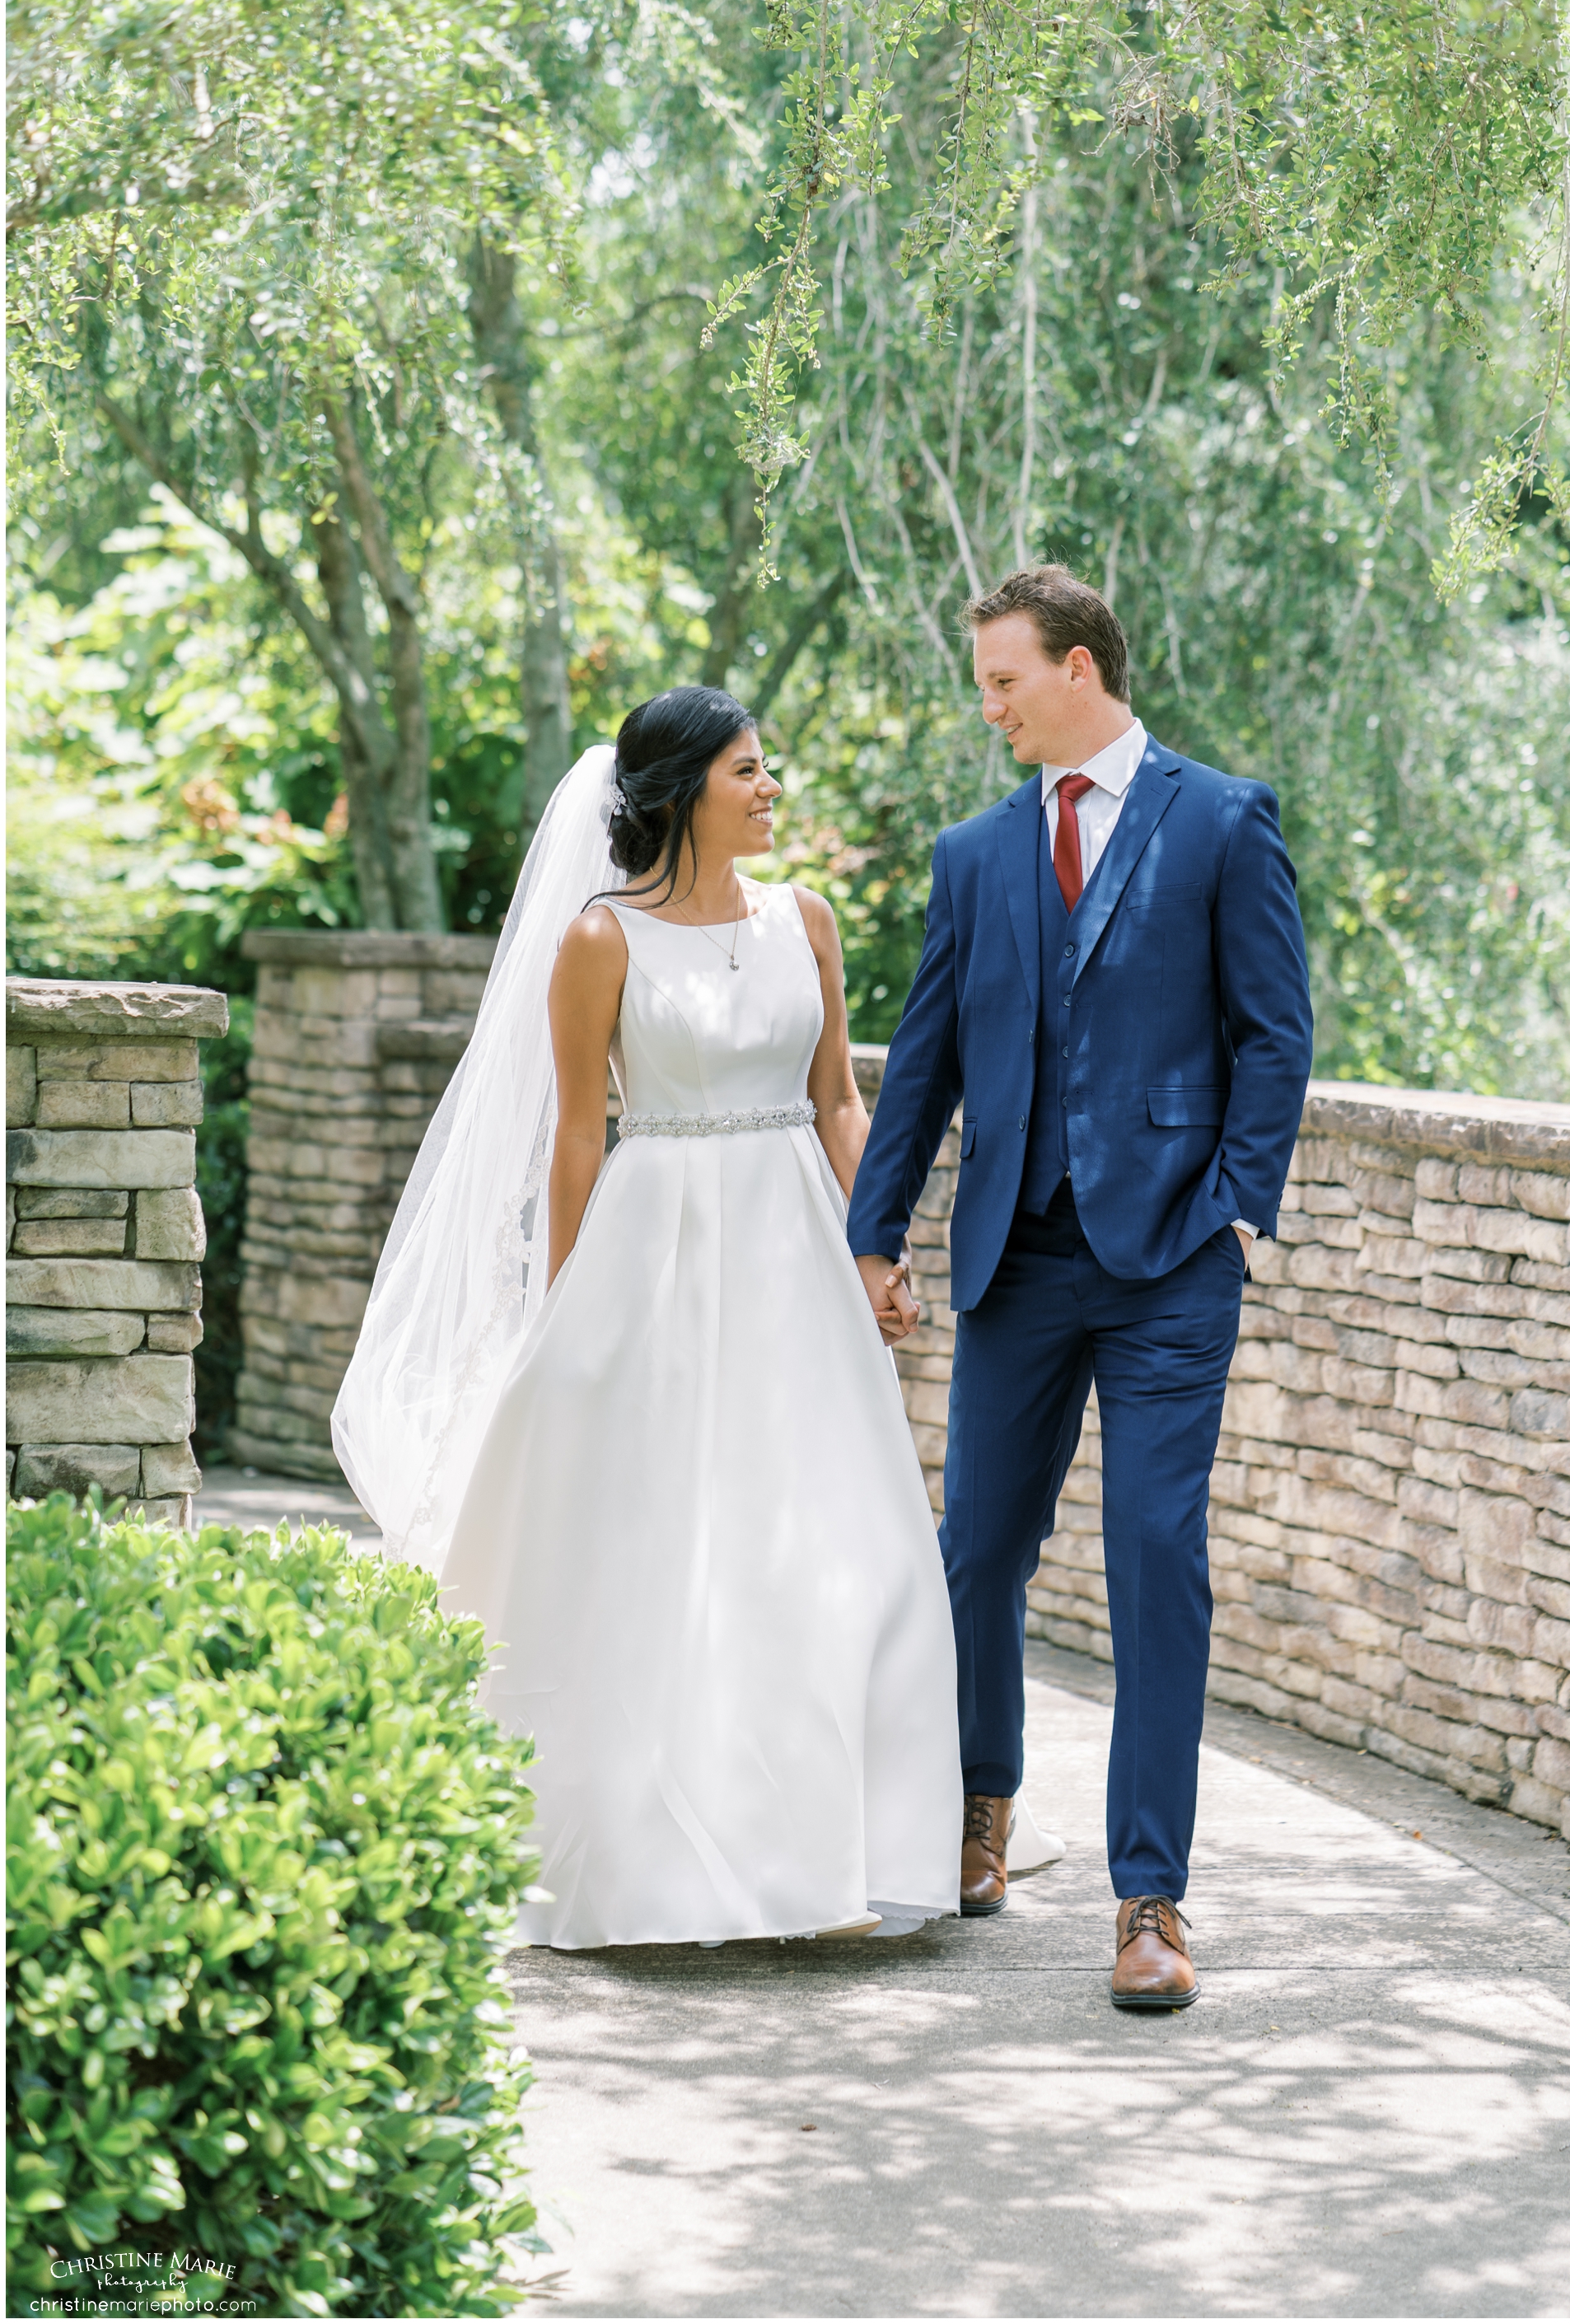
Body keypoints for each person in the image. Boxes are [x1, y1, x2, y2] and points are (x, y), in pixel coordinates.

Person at [334, 688, 964, 1950]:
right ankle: (657, 1855)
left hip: (797, 1246)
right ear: (682, 791)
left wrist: (877, 1248)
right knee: (667, 1547)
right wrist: (573, 1309)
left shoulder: (810, 921)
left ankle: (847, 1847)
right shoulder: (599, 941)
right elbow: (578, 1135)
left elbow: (841, 1101)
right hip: (659, 1246)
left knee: (853, 1543)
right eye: (748, 769)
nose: (772, 786)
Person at [848, 566, 1314, 2009]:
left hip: (1173, 1262)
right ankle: (982, 1805)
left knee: (1153, 1561)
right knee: (977, 1547)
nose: (986, 704)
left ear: (1081, 668)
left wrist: (1237, 1212)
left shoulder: (1223, 820)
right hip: (1017, 1259)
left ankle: (1149, 1899)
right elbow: (922, 1062)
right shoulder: (976, 856)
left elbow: (1275, 1035)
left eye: (1003, 679)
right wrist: (878, 1230)